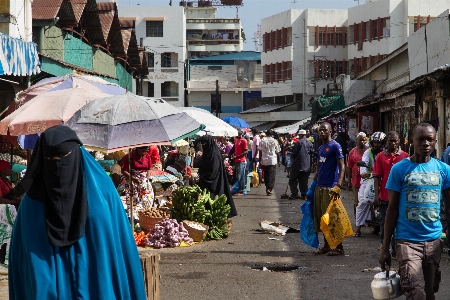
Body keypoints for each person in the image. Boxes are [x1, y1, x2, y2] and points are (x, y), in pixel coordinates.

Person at [9, 126, 146, 299]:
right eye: (50, 158)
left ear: (76, 153)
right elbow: (25, 265)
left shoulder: (102, 192)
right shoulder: (32, 203)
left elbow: (119, 249)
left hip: (97, 285)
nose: (57, 164)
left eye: (63, 157)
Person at [379, 123, 450, 300]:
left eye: (430, 140)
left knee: (429, 292)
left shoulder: (443, 170)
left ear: (435, 142)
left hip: (434, 241)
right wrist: (385, 247)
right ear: (412, 141)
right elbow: (392, 209)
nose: (425, 143)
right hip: (407, 242)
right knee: (415, 291)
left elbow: (449, 205)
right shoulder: (399, 169)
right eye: (421, 139)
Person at [306, 122, 345, 256]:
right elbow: (318, 168)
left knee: (332, 219)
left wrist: (338, 184)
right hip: (320, 187)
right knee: (322, 219)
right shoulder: (321, 148)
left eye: (324, 130)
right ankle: (327, 246)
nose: (322, 132)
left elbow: (342, 165)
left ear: (330, 131)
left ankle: (339, 247)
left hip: (330, 188)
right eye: (320, 130)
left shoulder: (335, 146)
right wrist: (311, 189)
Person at [373, 131, 409, 257]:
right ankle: (385, 247)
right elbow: (377, 176)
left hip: (401, 198)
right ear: (386, 141)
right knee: (385, 224)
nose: (393, 143)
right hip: (385, 196)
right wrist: (376, 194)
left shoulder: (405, 157)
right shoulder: (380, 157)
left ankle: (395, 250)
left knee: (399, 225)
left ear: (399, 141)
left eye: (395, 141)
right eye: (390, 140)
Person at [354, 132, 386, 237]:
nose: (376, 145)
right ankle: (358, 228)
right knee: (363, 202)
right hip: (369, 180)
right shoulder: (368, 153)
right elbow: (363, 167)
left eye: (379, 143)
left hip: (384, 180)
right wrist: (365, 173)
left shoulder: (386, 153)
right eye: (375, 143)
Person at [197, 135, 237, 218]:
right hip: (209, 181)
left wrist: (203, 177)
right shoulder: (209, 152)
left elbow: (213, 171)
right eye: (202, 143)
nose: (203, 145)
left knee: (213, 201)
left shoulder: (214, 154)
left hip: (214, 182)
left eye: (204, 143)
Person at [0, 160, 20, 266]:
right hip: (3, 209)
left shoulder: (7, 181)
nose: (11, 170)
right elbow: (0, 199)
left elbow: (11, 193)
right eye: (8, 168)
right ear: (3, 170)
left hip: (10, 205)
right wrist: (13, 202)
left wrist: (16, 199)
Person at [346, 132, 368, 221]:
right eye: (360, 140)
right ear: (356, 141)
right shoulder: (352, 152)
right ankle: (357, 220)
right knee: (357, 202)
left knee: (367, 200)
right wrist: (349, 180)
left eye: (363, 140)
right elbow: (349, 166)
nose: (362, 142)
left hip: (368, 179)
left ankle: (367, 219)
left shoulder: (369, 151)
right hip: (356, 180)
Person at [288, 130, 313, 200]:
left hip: (297, 165)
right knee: (304, 181)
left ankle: (294, 193)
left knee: (293, 179)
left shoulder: (298, 143)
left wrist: (292, 158)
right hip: (306, 165)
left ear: (300, 135)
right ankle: (304, 194)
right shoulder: (310, 143)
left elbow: (294, 153)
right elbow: (311, 153)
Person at [259, 130, 281, 196]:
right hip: (272, 160)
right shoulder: (275, 141)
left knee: (266, 174)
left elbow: (260, 151)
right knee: (272, 175)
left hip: (264, 160)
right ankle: (269, 188)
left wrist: (260, 160)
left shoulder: (262, 140)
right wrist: (279, 161)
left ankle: (267, 187)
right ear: (272, 135)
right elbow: (278, 152)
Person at [231, 129, 248, 196]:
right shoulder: (237, 141)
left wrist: (237, 156)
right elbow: (237, 150)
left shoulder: (244, 141)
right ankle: (240, 189)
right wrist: (234, 154)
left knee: (240, 175)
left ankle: (242, 189)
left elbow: (245, 151)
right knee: (238, 175)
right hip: (236, 160)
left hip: (241, 160)